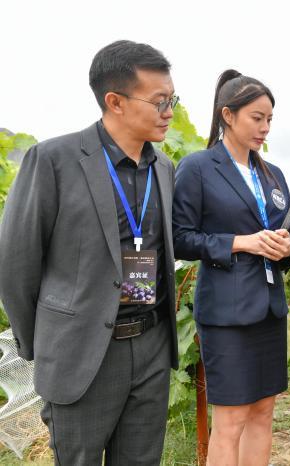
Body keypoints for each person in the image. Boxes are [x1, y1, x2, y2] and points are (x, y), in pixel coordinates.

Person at [0, 40, 179, 465]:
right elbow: (15, 264)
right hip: (81, 353)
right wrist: (44, 344)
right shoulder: (53, 160)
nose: (169, 112)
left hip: (151, 345)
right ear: (115, 101)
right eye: (159, 101)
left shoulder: (164, 168)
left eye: (173, 100)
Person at [173, 70, 290, 466]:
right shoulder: (198, 168)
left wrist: (286, 247)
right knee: (230, 420)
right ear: (227, 116)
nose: (265, 128)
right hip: (226, 313)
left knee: (263, 412)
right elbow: (180, 238)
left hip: (270, 309)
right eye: (256, 118)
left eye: (269, 119)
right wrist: (239, 242)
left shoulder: (273, 174)